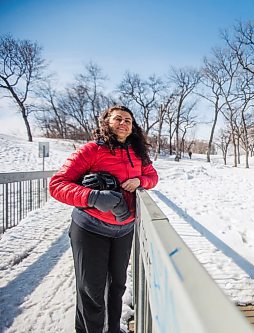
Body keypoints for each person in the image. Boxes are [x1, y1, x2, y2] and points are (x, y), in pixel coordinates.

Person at [49, 105, 158, 333]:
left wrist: (140, 181)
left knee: (117, 287)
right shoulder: (91, 150)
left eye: (128, 120)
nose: (124, 123)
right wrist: (93, 196)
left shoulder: (137, 153)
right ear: (106, 123)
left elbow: (152, 176)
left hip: (124, 229)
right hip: (90, 228)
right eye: (118, 118)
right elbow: (57, 185)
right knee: (91, 290)